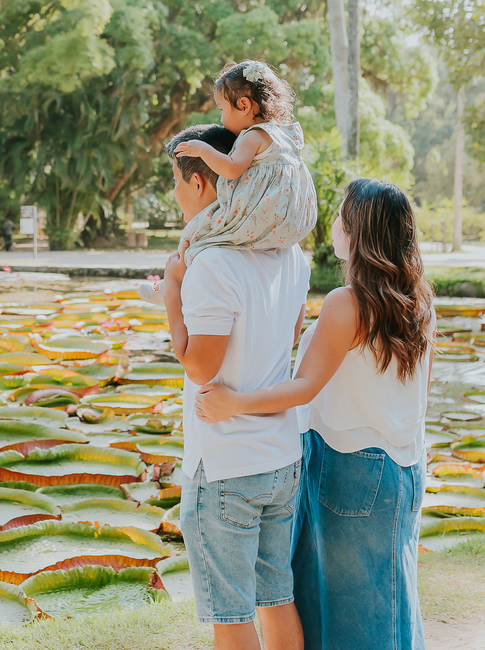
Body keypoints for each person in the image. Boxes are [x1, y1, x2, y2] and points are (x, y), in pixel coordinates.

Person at [197, 178, 434, 650]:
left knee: (345, 609)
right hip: (404, 467)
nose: (333, 223)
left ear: (358, 230)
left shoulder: (347, 303)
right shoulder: (420, 301)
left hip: (351, 465)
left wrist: (235, 402)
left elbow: (304, 388)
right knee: (389, 598)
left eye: (342, 214)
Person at [161, 122, 311, 650]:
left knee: (231, 616)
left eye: (176, 182)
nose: (174, 195)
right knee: (276, 599)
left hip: (225, 466)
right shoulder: (292, 256)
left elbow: (201, 368)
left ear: (201, 184)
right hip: (280, 460)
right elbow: (287, 337)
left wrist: (171, 296)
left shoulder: (211, 263)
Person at [140, 60, 317, 303]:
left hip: (260, 214)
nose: (221, 119)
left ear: (243, 105)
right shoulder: (285, 133)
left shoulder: (253, 135)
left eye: (222, 110)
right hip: (290, 219)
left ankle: (172, 284)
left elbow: (232, 169)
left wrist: (202, 150)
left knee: (204, 230)